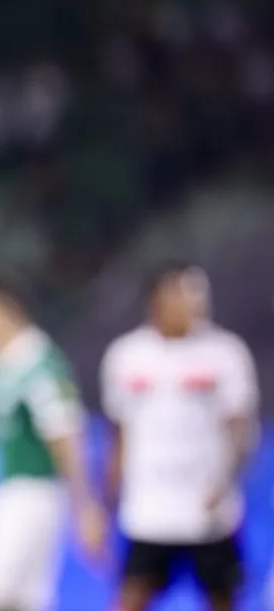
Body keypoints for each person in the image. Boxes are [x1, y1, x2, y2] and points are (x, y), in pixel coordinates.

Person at [0, 271, 108, 611]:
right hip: (8, 490)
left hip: (32, 494)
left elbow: (66, 437)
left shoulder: (39, 364)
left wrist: (85, 508)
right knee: (26, 600)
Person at [102, 262, 259, 611]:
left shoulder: (225, 352)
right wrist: (106, 501)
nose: (194, 303)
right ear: (157, 299)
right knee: (131, 597)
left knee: (221, 598)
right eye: (183, 293)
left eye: (198, 293)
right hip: (149, 509)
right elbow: (119, 435)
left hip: (209, 511)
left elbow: (240, 428)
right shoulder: (126, 355)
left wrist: (224, 479)